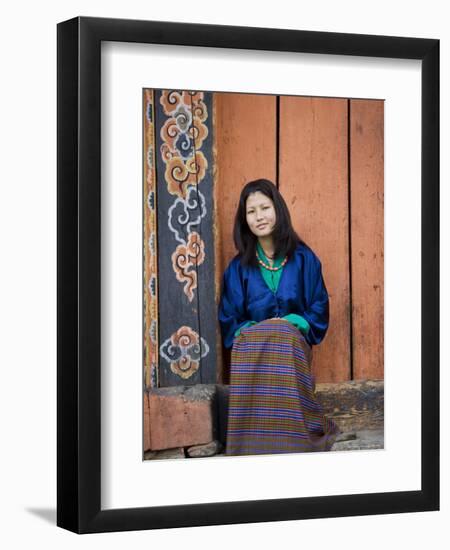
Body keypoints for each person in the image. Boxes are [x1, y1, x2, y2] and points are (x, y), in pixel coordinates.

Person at [219, 178, 339, 456]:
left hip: (291, 349)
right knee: (265, 336)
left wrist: (290, 324)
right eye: (251, 211)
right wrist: (263, 329)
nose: (259, 216)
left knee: (284, 334)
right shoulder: (237, 269)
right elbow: (230, 318)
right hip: (255, 352)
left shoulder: (305, 259)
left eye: (265, 207)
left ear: (278, 210)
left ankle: (293, 435)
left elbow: (319, 307)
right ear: (244, 218)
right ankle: (255, 438)